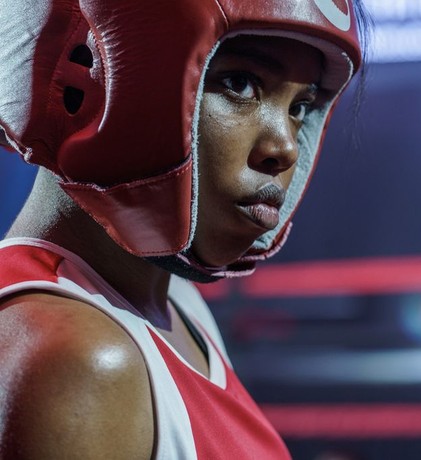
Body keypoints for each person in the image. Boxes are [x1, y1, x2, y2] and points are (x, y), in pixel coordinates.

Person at [0, 0, 366, 458]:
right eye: (240, 83)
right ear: (103, 75)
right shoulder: (82, 360)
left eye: (300, 106)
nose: (285, 147)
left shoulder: (175, 305)